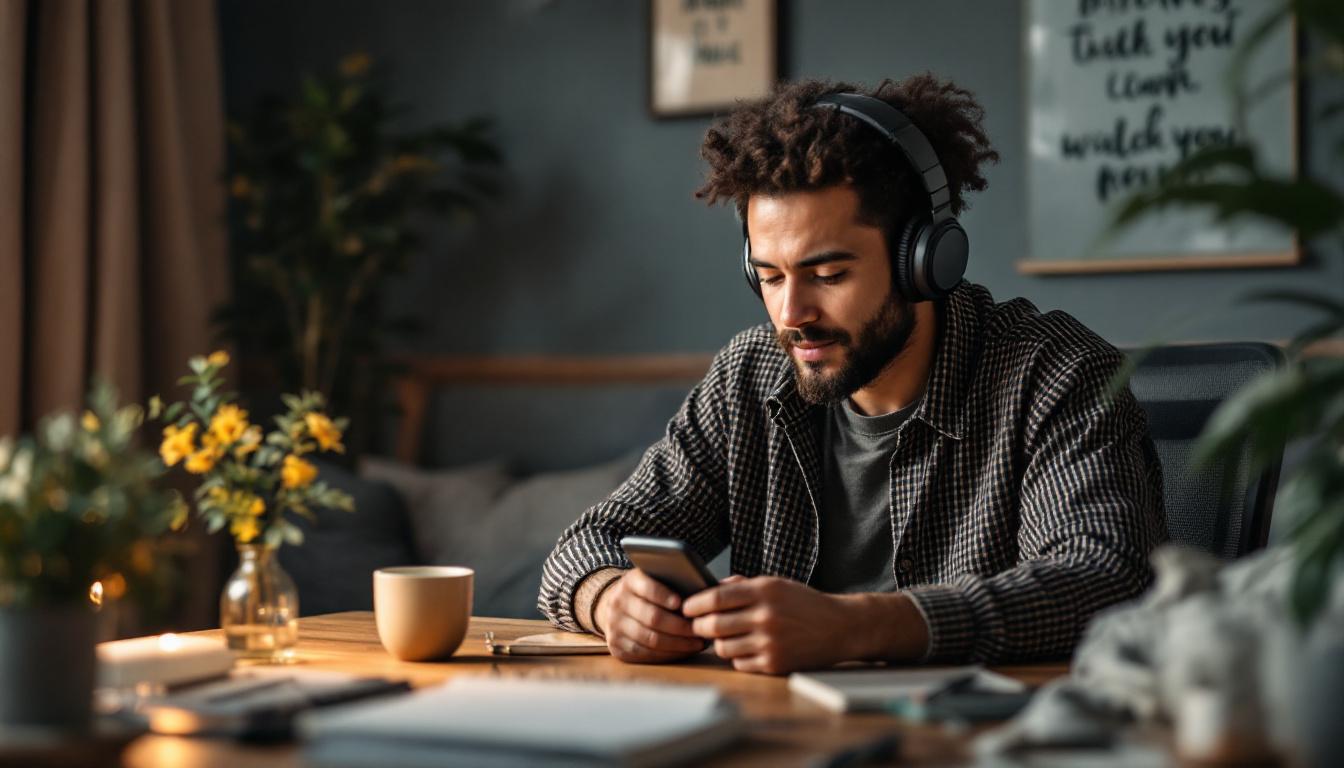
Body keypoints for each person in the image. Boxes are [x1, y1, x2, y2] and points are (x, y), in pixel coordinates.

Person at [538, 74, 1167, 674]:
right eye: (770, 276)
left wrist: (855, 625)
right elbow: (586, 542)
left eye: (828, 275)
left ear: (923, 260)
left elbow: (1102, 577)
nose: (792, 315)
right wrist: (610, 598)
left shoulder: (1053, 374)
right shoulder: (748, 378)